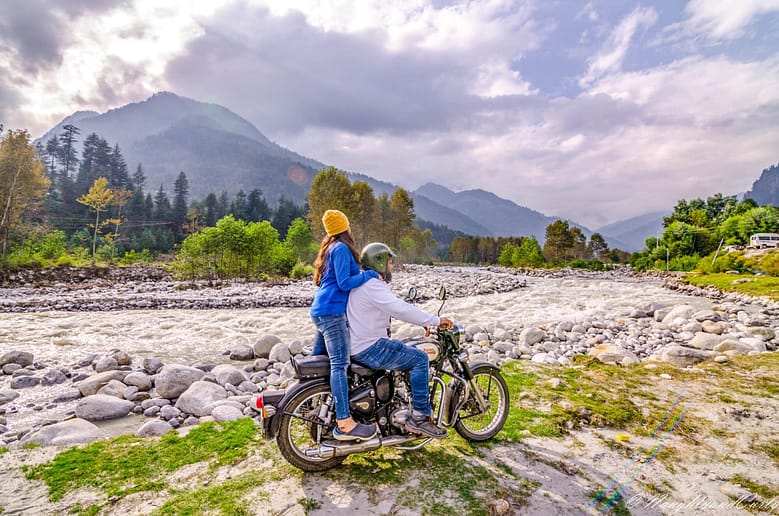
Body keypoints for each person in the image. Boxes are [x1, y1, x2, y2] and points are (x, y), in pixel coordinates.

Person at [346, 242, 453, 439]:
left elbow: (389, 309)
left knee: (405, 348)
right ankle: (420, 417)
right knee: (420, 359)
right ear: (379, 262)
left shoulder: (362, 283)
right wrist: (435, 320)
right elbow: (399, 308)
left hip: (359, 344)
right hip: (370, 347)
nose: (391, 266)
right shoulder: (373, 285)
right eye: (389, 262)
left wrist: (422, 322)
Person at [310, 209, 379, 441]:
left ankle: (312, 409)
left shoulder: (330, 247)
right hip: (331, 312)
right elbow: (345, 282)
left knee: (317, 362)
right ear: (345, 227)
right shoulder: (340, 248)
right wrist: (369, 275)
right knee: (339, 365)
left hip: (320, 310)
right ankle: (344, 422)